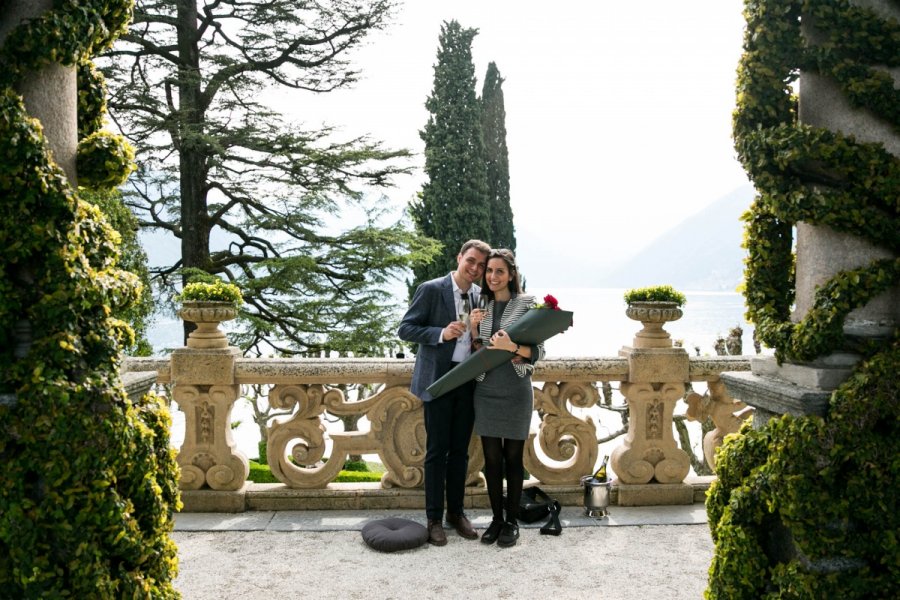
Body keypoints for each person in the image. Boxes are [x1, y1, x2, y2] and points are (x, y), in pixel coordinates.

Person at [398, 239, 491, 546]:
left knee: (460, 453)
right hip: (438, 382)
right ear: (459, 257)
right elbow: (406, 328)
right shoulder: (431, 289)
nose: (476, 269)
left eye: (481, 265)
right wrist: (441, 333)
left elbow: (482, 342)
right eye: (471, 262)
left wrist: (479, 333)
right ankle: (434, 519)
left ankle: (457, 513)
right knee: (436, 453)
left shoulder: (481, 296)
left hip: (466, 381)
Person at [469, 248, 544, 548]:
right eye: (489, 271)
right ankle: (496, 519)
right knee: (491, 460)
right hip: (485, 391)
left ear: (511, 274)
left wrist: (513, 347)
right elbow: (477, 354)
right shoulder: (480, 304)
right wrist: (475, 329)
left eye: (499, 271)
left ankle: (512, 522)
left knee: (513, 459)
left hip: (515, 391)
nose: (493, 276)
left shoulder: (527, 304)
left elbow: (538, 352)